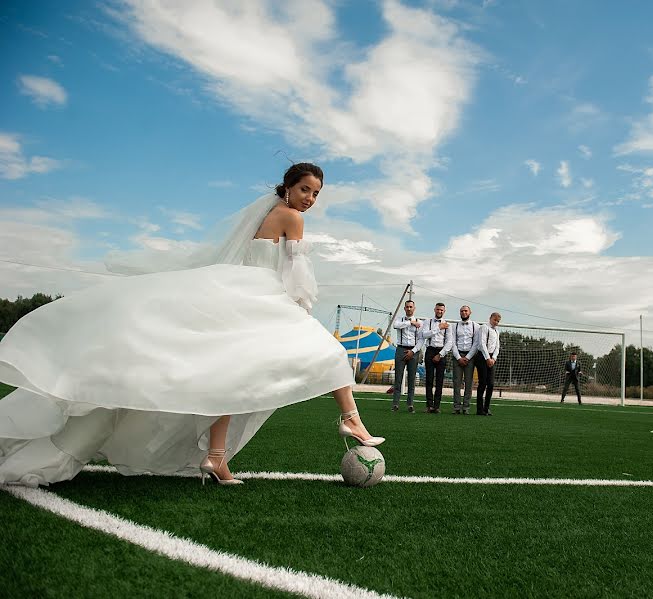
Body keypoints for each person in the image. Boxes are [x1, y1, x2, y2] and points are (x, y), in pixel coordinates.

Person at [0, 163, 383, 487]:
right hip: (261, 297)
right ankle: (351, 420)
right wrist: (300, 307)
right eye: (305, 189)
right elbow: (296, 274)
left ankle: (216, 457)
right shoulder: (292, 217)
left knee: (236, 377)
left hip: (244, 292)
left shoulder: (268, 215)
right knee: (328, 351)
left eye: (316, 194)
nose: (309, 200)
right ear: (288, 188)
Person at [420, 302, 452, 413]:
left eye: (442, 310)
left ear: (444, 311)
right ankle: (429, 405)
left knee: (440, 381)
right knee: (428, 379)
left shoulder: (447, 325)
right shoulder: (427, 322)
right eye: (438, 309)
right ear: (435, 309)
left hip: (441, 351)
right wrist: (438, 328)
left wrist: (440, 354)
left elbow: (449, 342)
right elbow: (424, 335)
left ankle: (437, 406)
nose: (439, 311)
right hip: (430, 350)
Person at [391, 299, 421, 413]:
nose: (409, 309)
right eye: (407, 307)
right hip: (400, 349)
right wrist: (410, 323)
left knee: (412, 379)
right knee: (398, 377)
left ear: (414, 308)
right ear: (404, 308)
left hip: (413, 351)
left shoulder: (419, 322)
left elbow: (421, 339)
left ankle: (410, 404)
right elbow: (395, 325)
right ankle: (395, 404)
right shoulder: (400, 319)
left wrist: (413, 351)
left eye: (411, 307)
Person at [451, 305, 478, 415]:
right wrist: (458, 357)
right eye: (462, 311)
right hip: (457, 356)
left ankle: (466, 407)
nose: (464, 312)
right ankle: (456, 407)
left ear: (470, 312)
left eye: (466, 311)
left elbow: (476, 343)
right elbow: (452, 342)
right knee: (456, 382)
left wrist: (467, 357)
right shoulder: (454, 326)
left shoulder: (475, 326)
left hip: (470, 357)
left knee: (468, 383)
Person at [473, 312, 501, 416]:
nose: (496, 322)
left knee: (491, 384)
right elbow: (482, 343)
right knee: (482, 383)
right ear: (490, 318)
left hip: (492, 358)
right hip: (482, 357)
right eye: (495, 320)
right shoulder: (484, 328)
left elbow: (497, 346)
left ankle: (487, 408)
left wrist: (493, 358)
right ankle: (479, 409)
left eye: (498, 321)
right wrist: (487, 358)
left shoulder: (497, 331)